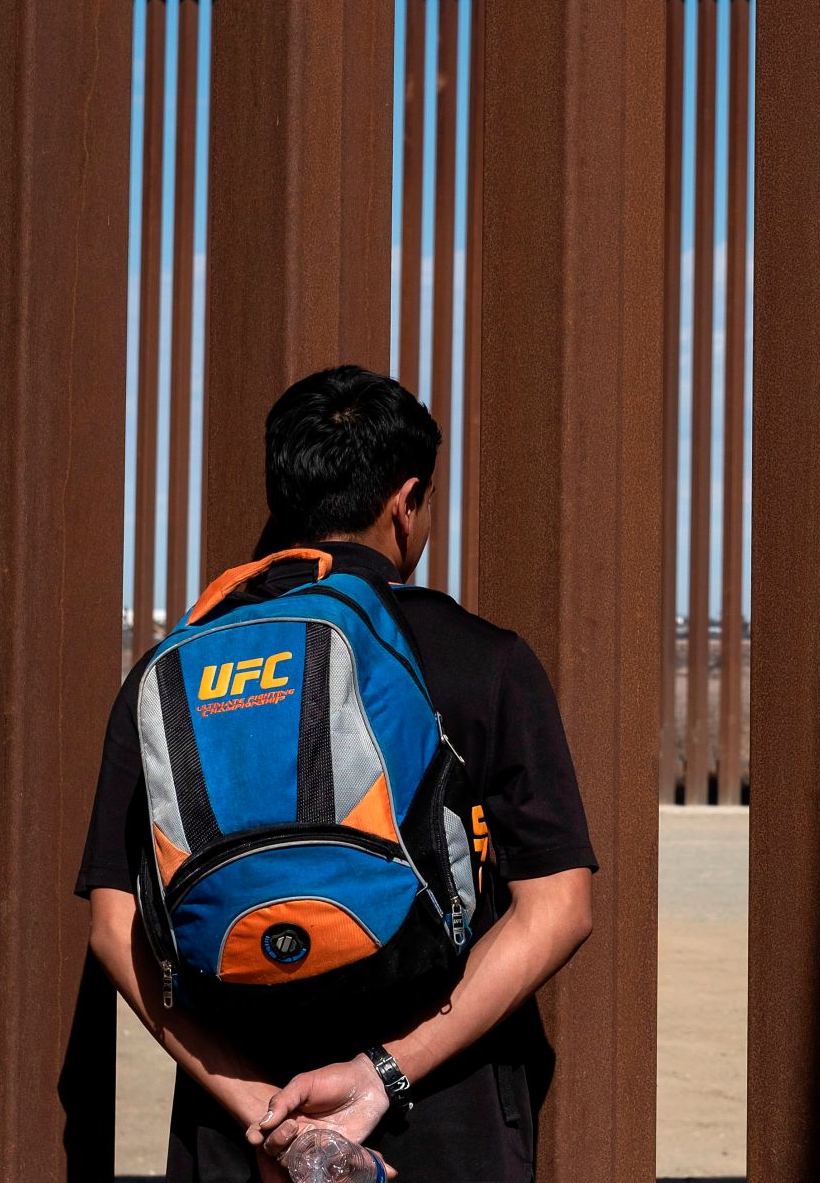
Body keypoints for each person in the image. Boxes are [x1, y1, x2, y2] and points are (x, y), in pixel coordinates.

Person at [78, 365, 598, 1182]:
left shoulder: (170, 671)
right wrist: (378, 1076)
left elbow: (116, 928)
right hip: (441, 1119)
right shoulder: (481, 660)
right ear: (406, 500)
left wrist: (258, 1103)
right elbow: (558, 909)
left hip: (241, 1136)